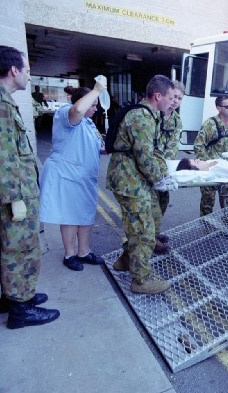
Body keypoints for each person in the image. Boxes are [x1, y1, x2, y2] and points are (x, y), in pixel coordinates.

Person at [0, 46, 60, 328]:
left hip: (17, 193)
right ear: (13, 70)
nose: (29, 75)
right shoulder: (1, 105)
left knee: (11, 248)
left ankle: (14, 297)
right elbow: (3, 156)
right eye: (26, 70)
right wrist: (14, 198)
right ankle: (20, 310)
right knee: (21, 250)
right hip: (14, 197)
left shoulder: (6, 101)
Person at [107, 74, 176, 294]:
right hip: (129, 181)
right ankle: (140, 280)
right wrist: (161, 180)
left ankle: (126, 260)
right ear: (158, 96)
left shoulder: (148, 115)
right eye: (171, 97)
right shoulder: (142, 117)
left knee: (151, 220)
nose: (173, 102)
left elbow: (152, 152)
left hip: (134, 179)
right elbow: (144, 157)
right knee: (144, 230)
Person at [39, 81, 107, 272]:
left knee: (85, 215)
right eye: (93, 105)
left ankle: (83, 252)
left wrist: (105, 148)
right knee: (70, 216)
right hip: (67, 176)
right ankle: (70, 254)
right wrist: (96, 90)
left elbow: (92, 145)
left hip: (85, 178)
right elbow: (77, 111)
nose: (96, 109)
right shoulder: (66, 112)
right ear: (83, 101)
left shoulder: (89, 123)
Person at [193, 95, 228, 216]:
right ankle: (206, 227)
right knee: (208, 201)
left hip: (225, 169)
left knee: (227, 199)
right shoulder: (210, 124)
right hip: (211, 169)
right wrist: (208, 164)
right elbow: (198, 146)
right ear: (219, 108)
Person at [153, 80, 185, 250]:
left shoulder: (177, 120)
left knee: (163, 200)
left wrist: (167, 168)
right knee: (150, 205)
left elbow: (173, 146)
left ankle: (155, 233)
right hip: (149, 166)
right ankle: (150, 240)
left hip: (164, 167)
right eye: (174, 97)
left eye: (179, 99)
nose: (175, 101)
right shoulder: (154, 113)